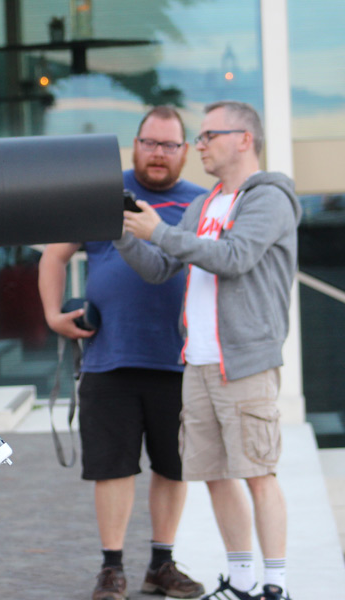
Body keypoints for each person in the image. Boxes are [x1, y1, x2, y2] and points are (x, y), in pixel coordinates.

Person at [118, 100, 301, 600]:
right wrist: (125, 233)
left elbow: (235, 257)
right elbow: (160, 268)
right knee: (217, 477)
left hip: (243, 362)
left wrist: (160, 230)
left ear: (244, 139)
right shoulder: (204, 205)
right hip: (196, 362)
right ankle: (241, 581)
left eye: (207, 136)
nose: (198, 146)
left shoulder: (269, 199)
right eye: (198, 138)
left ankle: (275, 585)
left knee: (258, 475)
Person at [38, 106, 207, 600]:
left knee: (174, 467)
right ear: (135, 145)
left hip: (179, 360)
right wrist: (52, 316)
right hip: (108, 356)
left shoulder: (199, 203)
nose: (158, 153)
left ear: (184, 151)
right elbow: (55, 254)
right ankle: (112, 567)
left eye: (169, 145)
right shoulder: (103, 195)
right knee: (112, 467)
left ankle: (162, 563)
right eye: (150, 143)